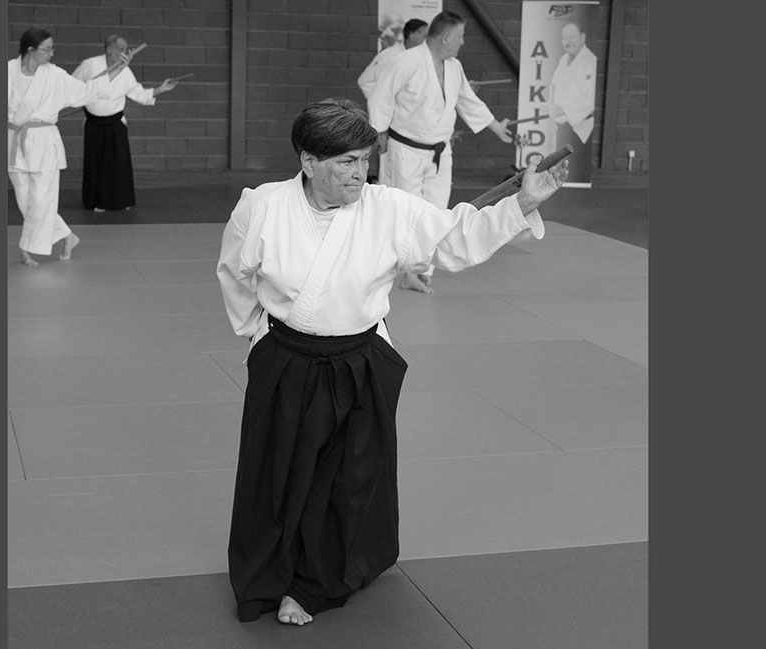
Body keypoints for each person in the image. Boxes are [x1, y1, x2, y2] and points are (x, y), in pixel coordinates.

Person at [216, 97, 568, 626]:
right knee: (274, 473)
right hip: (285, 357)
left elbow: (454, 239)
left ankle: (317, 583)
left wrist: (523, 203)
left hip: (358, 360)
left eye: (365, 160)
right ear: (308, 161)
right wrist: (257, 337)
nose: (360, 173)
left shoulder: (389, 209)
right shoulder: (261, 206)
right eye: (346, 162)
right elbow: (234, 272)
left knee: (347, 478)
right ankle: (265, 576)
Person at [367, 10, 513, 294]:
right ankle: (401, 270)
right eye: (460, 36)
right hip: (406, 149)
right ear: (445, 37)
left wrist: (495, 126)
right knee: (405, 211)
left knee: (435, 212)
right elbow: (380, 96)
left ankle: (419, 270)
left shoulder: (454, 67)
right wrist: (378, 133)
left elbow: (468, 100)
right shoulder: (408, 61)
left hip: (439, 153)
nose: (462, 42)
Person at [7, 28, 132, 266]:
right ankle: (67, 236)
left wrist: (118, 68)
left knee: (42, 200)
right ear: (30, 50)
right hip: (15, 140)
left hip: (44, 142)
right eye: (47, 49)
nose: (52, 53)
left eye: (52, 48)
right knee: (25, 199)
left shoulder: (54, 75)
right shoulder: (8, 71)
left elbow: (87, 90)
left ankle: (27, 248)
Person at [72, 35, 178, 213]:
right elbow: (72, 86)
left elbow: (139, 94)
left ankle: (120, 201)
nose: (125, 53)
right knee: (95, 164)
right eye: (121, 49)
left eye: (126, 50)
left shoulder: (125, 71)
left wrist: (161, 89)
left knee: (118, 164)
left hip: (115, 124)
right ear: (109, 49)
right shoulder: (90, 65)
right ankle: (95, 201)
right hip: (94, 124)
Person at [357, 18, 428, 186]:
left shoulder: (422, 58)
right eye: (423, 35)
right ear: (412, 35)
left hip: (410, 124)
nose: (427, 40)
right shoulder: (390, 56)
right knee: (389, 173)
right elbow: (365, 81)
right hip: (390, 123)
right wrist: (385, 104)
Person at [548, 21, 596, 183]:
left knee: (569, 172)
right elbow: (554, 88)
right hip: (561, 126)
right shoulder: (564, 59)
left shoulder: (590, 61)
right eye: (565, 38)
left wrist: (562, 109)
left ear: (583, 37)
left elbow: (589, 102)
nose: (568, 41)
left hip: (579, 131)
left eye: (572, 37)